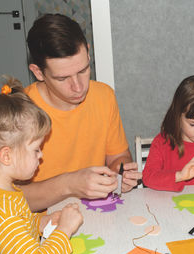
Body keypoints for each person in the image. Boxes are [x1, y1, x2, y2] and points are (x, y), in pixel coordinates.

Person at [21, 14, 141, 212]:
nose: (78, 87)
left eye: (84, 70)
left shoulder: (104, 96)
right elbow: (7, 199)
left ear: (88, 52)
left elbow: (118, 157)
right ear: (38, 72)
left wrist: (120, 174)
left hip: (92, 216)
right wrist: (69, 184)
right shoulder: (18, 112)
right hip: (37, 228)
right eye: (63, 78)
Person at [0, 77, 84, 254]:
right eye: (36, 149)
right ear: (7, 156)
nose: (41, 155)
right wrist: (65, 230)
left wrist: (41, 222)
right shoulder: (3, 213)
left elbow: (18, 225)